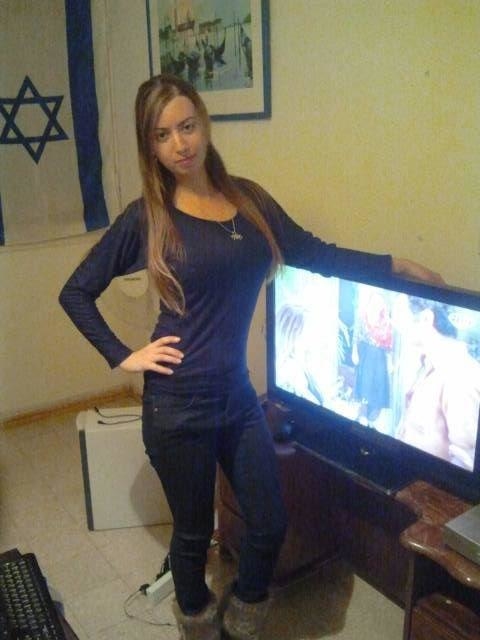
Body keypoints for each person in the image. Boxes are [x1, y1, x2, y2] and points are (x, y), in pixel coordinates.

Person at [59, 73, 443, 640]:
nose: (180, 144)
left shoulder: (250, 200)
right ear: (150, 147)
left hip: (237, 397)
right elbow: (76, 291)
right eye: (162, 135)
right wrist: (123, 356)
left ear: (204, 122)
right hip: (176, 406)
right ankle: (196, 622)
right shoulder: (149, 216)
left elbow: (314, 252)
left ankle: (243, 614)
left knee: (268, 521)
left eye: (187, 126)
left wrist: (393, 266)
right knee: (193, 536)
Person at [396, 297, 480, 471]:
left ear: (426, 319)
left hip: (423, 486)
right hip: (404, 474)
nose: (395, 323)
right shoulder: (427, 363)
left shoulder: (461, 375)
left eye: (398, 315)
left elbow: (465, 466)